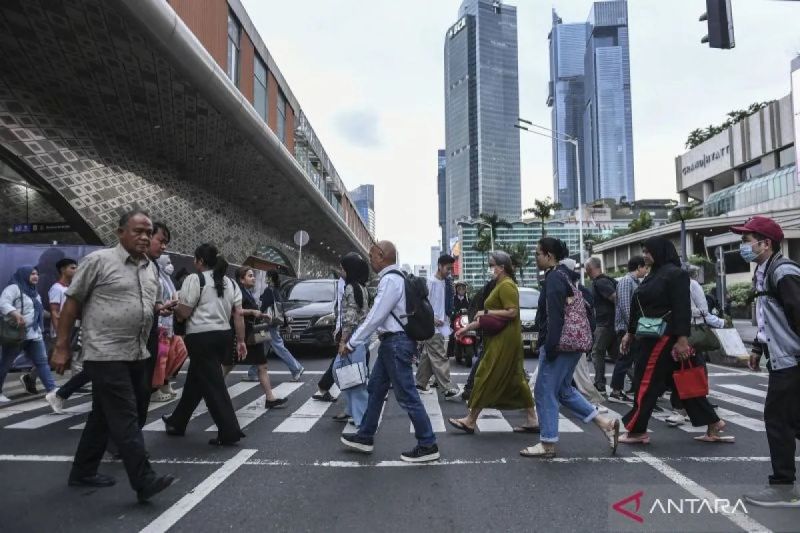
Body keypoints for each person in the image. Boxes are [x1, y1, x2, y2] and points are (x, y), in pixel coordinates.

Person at [50, 210, 174, 502]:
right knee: (125, 414)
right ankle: (143, 480)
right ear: (120, 233)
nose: (144, 237)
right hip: (105, 352)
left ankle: (82, 471)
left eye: (148, 232)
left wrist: (159, 309)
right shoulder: (99, 261)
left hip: (136, 352)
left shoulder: (149, 268)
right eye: (138, 231)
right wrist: (62, 346)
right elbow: (71, 305)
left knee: (103, 416)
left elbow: (141, 305)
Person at [619, 236, 732, 446]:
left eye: (648, 251)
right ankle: (713, 423)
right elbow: (640, 306)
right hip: (651, 336)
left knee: (645, 381)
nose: (644, 255)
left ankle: (636, 431)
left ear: (660, 251)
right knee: (682, 382)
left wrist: (682, 339)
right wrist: (630, 332)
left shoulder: (675, 274)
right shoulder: (654, 274)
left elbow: (682, 308)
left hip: (665, 338)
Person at [339, 240, 440, 463]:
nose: (370, 259)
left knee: (406, 394)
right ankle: (365, 436)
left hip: (395, 343)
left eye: (372, 255)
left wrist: (352, 342)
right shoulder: (399, 278)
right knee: (376, 389)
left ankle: (427, 443)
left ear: (382, 255)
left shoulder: (390, 281)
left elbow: (375, 317)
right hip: (391, 344)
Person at [519, 239, 619, 458]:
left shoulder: (554, 278)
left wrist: (550, 346)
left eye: (537, 254)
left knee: (544, 392)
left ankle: (547, 443)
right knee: (564, 391)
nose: (535, 258)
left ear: (549, 255)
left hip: (560, 344)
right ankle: (605, 423)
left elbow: (555, 316)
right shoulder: (566, 276)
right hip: (574, 343)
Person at [730, 217, 800, 507]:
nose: (743, 245)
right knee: (793, 421)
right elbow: (767, 318)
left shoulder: (783, 271)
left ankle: (783, 487)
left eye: (747, 240)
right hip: (783, 357)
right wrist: (758, 348)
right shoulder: (763, 271)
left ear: (765, 243)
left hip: (791, 359)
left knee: (778, 419)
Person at [162, 243, 247, 446]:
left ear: (200, 261)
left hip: (201, 337)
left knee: (213, 385)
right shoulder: (231, 283)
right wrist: (241, 341)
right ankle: (177, 422)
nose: (193, 263)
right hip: (224, 336)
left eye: (195, 259)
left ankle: (229, 431)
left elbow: (184, 313)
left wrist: (174, 305)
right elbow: (239, 315)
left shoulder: (195, 279)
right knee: (197, 380)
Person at [446, 251, 539, 436]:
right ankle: (532, 419)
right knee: (516, 378)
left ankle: (470, 420)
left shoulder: (507, 285)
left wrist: (486, 312)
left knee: (485, 374)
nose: (490, 269)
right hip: (499, 337)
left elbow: (512, 312)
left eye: (492, 265)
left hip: (504, 339)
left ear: (502, 267)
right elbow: (489, 315)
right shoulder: (500, 284)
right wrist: (466, 328)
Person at [222, 267, 287, 409]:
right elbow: (235, 311)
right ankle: (213, 394)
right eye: (250, 276)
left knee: (262, 365)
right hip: (239, 336)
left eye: (253, 275)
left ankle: (270, 398)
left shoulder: (247, 292)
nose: (253, 278)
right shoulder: (237, 292)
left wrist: (261, 315)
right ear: (241, 279)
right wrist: (252, 311)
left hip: (252, 335)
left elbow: (250, 312)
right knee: (227, 365)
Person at [0, 266, 57, 402]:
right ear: (24, 275)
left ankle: (53, 390)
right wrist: (15, 314)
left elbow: (37, 311)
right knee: (6, 364)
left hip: (34, 334)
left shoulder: (34, 293)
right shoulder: (14, 288)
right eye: (32, 274)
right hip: (16, 334)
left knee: (42, 362)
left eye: (36, 274)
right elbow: (3, 303)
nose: (35, 276)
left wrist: (54, 316)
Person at [333, 253, 371, 428]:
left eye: (343, 268)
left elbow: (350, 318)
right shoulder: (361, 287)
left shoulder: (351, 288)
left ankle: (361, 418)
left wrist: (343, 341)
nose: (341, 271)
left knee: (354, 377)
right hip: (360, 337)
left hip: (354, 337)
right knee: (349, 373)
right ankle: (351, 409)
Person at [146, 222, 181, 404]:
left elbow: (155, 302)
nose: (164, 246)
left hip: (155, 330)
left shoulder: (153, 270)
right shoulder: (103, 261)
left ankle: (159, 385)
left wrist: (162, 308)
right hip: (121, 345)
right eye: (161, 241)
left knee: (165, 358)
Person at [416, 254, 459, 399]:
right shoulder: (430, 282)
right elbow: (422, 305)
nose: (449, 271)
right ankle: (447, 387)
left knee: (429, 355)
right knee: (440, 355)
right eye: (448, 268)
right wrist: (432, 318)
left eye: (451, 269)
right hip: (432, 325)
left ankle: (420, 382)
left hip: (442, 325)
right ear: (439, 266)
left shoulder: (447, 283)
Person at [608, 256, 648, 404]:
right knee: (624, 359)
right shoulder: (626, 281)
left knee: (629, 359)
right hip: (626, 329)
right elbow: (626, 308)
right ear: (638, 267)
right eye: (645, 267)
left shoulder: (634, 282)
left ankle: (621, 390)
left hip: (630, 328)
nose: (646, 270)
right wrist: (631, 330)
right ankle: (616, 391)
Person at [149, 252, 187, 402]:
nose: (170, 266)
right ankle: (154, 388)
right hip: (160, 326)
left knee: (178, 353)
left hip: (169, 325)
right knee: (161, 358)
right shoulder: (157, 279)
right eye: (167, 263)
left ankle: (165, 381)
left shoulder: (168, 280)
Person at [258, 271, 304, 382]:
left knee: (279, 348)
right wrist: (286, 324)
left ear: (270, 279)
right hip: (274, 323)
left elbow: (264, 306)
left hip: (268, 323)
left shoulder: (269, 290)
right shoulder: (276, 291)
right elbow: (281, 309)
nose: (265, 278)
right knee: (262, 348)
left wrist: (259, 312)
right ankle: (253, 373)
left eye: (267, 276)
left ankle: (296, 368)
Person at [585, 257, 617, 397]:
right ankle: (637, 382)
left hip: (605, 323)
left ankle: (599, 384)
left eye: (586, 269)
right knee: (618, 356)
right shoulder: (606, 280)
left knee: (597, 352)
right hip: (610, 323)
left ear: (590, 268)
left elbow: (616, 297)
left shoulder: (601, 282)